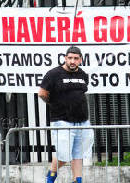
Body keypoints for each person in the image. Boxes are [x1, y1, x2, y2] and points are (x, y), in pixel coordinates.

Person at [38, 46, 94, 183]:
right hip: (62, 120)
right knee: (63, 156)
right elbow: (42, 93)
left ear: (80, 60)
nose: (72, 61)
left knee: (79, 154)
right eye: (70, 58)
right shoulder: (53, 74)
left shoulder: (83, 75)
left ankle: (77, 180)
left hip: (82, 121)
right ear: (65, 58)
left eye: (75, 58)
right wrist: (56, 104)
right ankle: (51, 175)